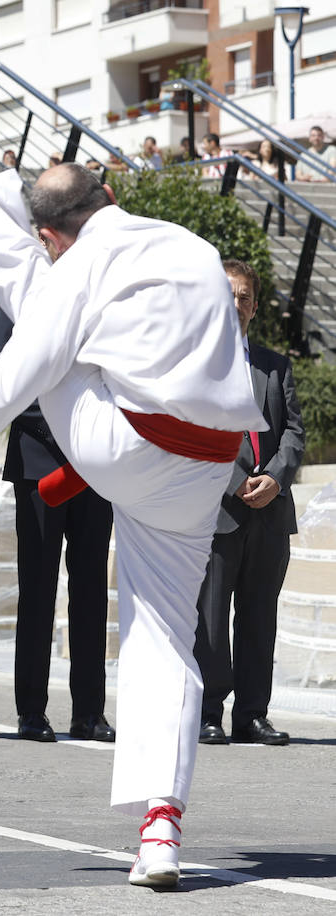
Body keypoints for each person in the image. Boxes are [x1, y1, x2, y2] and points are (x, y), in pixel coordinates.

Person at [0, 37, 264, 887]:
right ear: (113, 193)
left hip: (122, 446)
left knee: (24, 296)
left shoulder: (69, 263)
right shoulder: (193, 248)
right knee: (167, 638)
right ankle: (160, 829)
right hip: (203, 472)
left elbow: (21, 373)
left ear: (57, 233)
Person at [0, 309, 114, 744]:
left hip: (94, 469)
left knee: (91, 591)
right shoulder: (18, 303)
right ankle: (31, 710)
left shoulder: (99, 300)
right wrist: (69, 428)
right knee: (38, 589)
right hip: (39, 465)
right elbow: (10, 383)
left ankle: (89, 711)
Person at [195, 259, 304, 747]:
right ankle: (208, 713)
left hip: (271, 513)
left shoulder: (276, 365)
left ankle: (253, 714)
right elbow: (193, 435)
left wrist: (275, 480)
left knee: (260, 618)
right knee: (211, 620)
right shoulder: (195, 363)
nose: (236, 304)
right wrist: (236, 479)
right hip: (219, 510)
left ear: (255, 307)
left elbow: (295, 435)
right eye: (228, 295)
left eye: (244, 297)